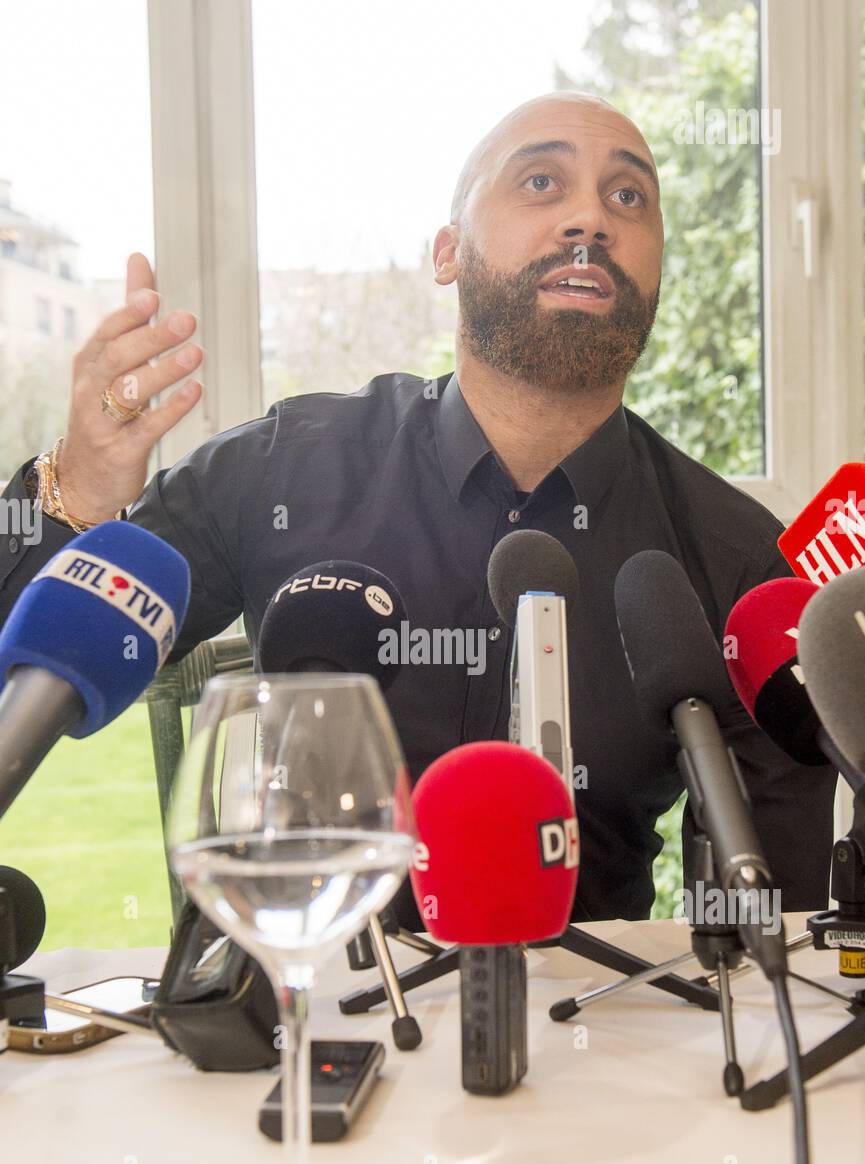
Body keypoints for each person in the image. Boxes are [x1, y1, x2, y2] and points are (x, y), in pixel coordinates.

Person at [0, 91, 836, 924]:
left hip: (601, 1035)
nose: (589, 217)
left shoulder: (734, 558)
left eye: (627, 197)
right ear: (448, 253)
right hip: (309, 1007)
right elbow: (33, 671)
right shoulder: (279, 471)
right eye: (541, 182)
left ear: (655, 268)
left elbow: (772, 932)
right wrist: (76, 490)